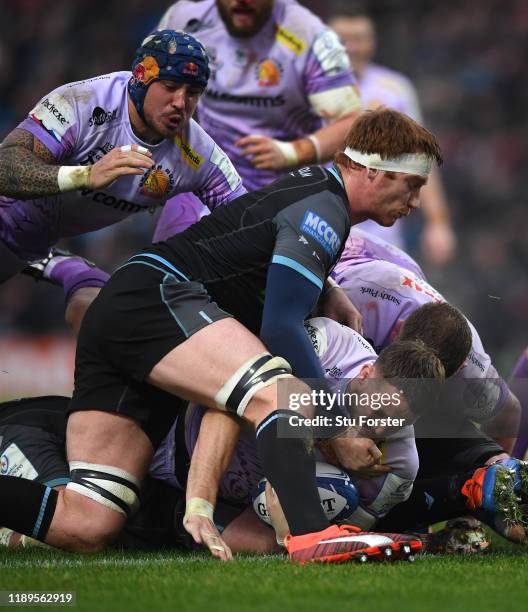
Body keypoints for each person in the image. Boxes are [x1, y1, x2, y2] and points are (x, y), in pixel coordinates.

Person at [0, 108, 442, 563]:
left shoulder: (317, 195)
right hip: (156, 298)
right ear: (371, 169)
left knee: (88, 521)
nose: (414, 203)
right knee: (278, 390)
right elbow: (280, 328)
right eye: (412, 184)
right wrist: (335, 428)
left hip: (128, 313)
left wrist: (325, 288)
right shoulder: (323, 212)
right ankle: (311, 538)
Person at [0, 30, 245, 333]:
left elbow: (250, 221)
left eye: (193, 93)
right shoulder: (83, 102)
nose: (181, 103)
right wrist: (85, 175)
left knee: (104, 316)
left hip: (32, 249)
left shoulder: (200, 155)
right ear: (141, 77)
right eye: (170, 87)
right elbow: (4, 168)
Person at [152, 0, 362, 239]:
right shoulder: (182, 21)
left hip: (285, 191)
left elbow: (351, 123)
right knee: (168, 264)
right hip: (205, 179)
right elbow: (147, 90)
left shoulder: (310, 34)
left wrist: (294, 152)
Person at [327, 4, 456, 264]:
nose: (352, 47)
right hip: (322, 223)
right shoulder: (304, 87)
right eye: (343, 41)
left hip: (382, 234)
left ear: (372, 42)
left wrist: (438, 222)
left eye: (359, 39)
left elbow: (421, 159)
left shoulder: (395, 89)